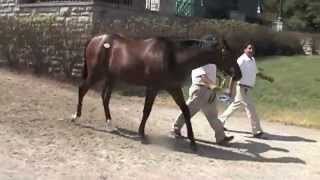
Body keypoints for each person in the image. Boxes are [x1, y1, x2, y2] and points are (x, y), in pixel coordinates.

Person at [219, 42, 273, 138]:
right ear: (244, 50)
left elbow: (256, 73)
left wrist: (267, 78)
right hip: (242, 88)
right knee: (251, 109)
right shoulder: (241, 60)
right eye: (249, 48)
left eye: (253, 49)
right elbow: (234, 75)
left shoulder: (252, 60)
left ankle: (220, 122)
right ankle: (256, 130)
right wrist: (230, 90)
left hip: (247, 88)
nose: (252, 50)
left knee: (235, 105)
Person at [171, 64, 234, 145]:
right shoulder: (200, 62)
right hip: (200, 90)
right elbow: (202, 77)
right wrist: (213, 85)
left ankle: (221, 138)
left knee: (213, 116)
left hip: (210, 92)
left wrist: (214, 87)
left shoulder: (212, 63)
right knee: (189, 111)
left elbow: (211, 76)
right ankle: (176, 129)